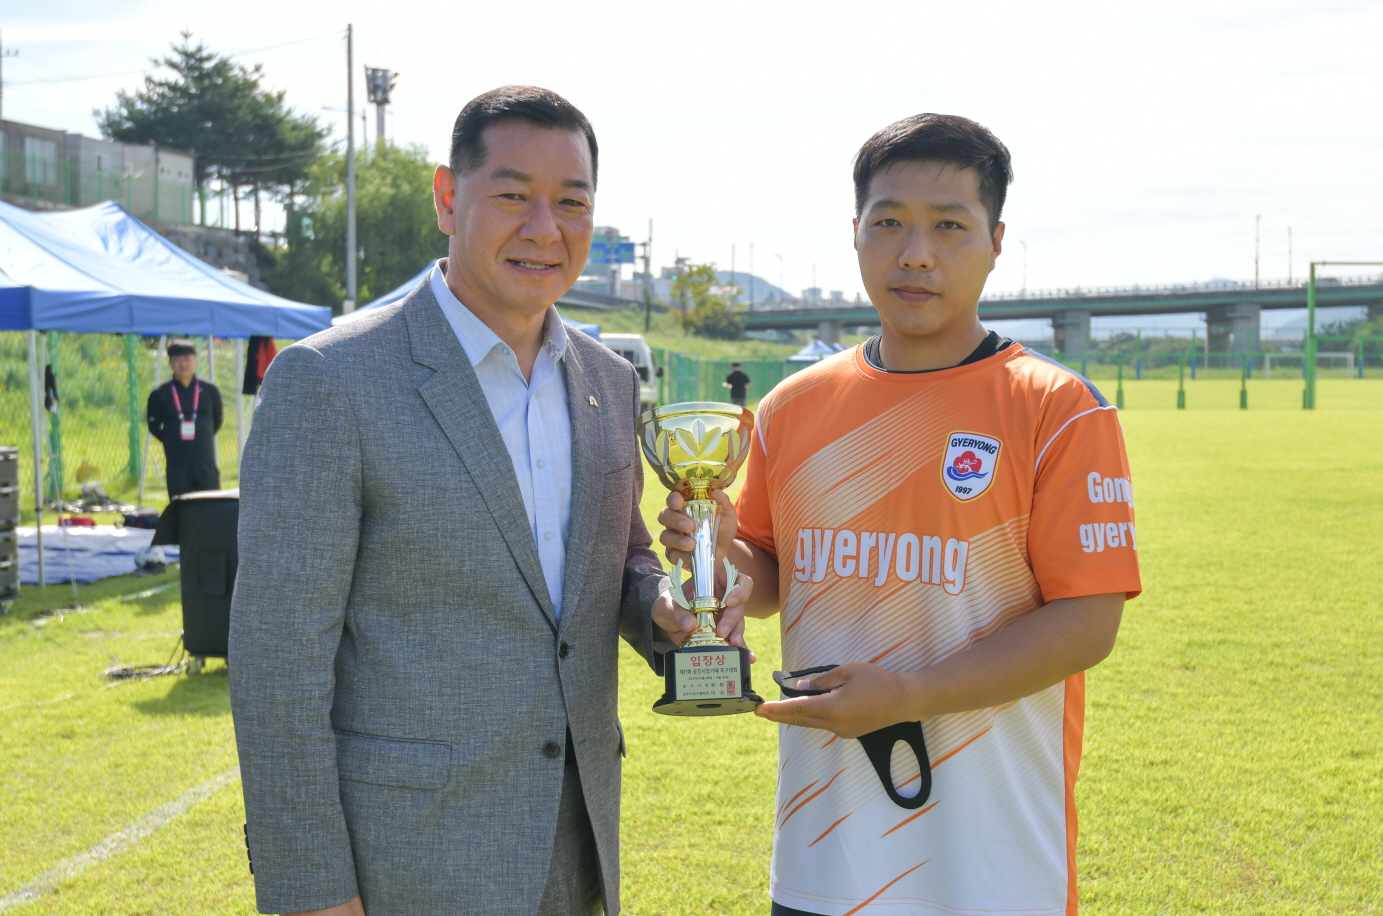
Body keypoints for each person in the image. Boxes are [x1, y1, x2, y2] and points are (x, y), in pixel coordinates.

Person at [229, 86, 748, 916]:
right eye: (512, 196)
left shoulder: (610, 383)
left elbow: (618, 562)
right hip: (407, 864)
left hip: (577, 851)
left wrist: (666, 605)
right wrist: (312, 894)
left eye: (571, 202)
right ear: (447, 197)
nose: (544, 228)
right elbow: (277, 663)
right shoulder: (329, 382)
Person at [659, 113, 1140, 915]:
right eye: (887, 223)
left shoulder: (1056, 408)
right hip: (821, 855)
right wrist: (716, 551)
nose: (914, 252)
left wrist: (909, 695)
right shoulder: (792, 406)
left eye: (948, 225)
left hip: (991, 865)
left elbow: (1086, 624)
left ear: (995, 242)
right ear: (854, 232)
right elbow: (771, 577)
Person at [146, 339, 223, 497]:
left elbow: (217, 420)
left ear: (195, 361)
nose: (183, 364)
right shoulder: (160, 394)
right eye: (177, 360)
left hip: (205, 461)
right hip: (177, 463)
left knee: (210, 504)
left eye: (187, 359)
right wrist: (170, 439)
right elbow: (153, 426)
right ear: (170, 363)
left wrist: (202, 433)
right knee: (180, 505)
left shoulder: (210, 390)